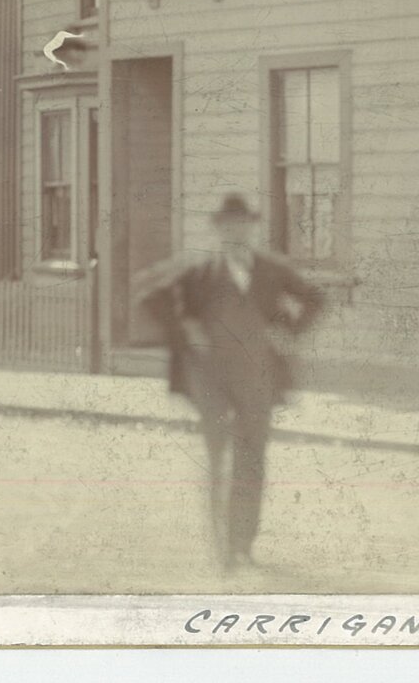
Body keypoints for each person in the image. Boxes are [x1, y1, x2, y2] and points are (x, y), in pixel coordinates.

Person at [139, 193, 325, 573]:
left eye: (241, 225)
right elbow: (149, 295)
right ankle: (221, 548)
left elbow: (315, 298)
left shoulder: (272, 269)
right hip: (212, 381)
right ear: (218, 230)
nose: (235, 232)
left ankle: (243, 544)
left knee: (252, 461)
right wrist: (185, 332)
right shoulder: (200, 270)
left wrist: (288, 332)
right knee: (217, 460)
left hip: (258, 381)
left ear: (251, 227)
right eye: (227, 226)